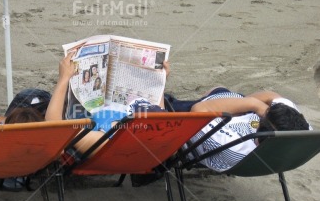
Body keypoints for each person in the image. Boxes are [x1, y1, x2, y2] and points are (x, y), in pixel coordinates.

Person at [45, 51, 170, 156]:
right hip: (113, 103)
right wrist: (160, 82)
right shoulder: (155, 138)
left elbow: (56, 130)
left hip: (87, 111)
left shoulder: (104, 141)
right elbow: (158, 114)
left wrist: (64, 78)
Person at [167, 87, 312, 172]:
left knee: (164, 104)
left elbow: (198, 111)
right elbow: (271, 95)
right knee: (219, 89)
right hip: (237, 111)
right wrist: (245, 105)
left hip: (201, 121)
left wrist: (253, 105)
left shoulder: (232, 148)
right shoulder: (300, 132)